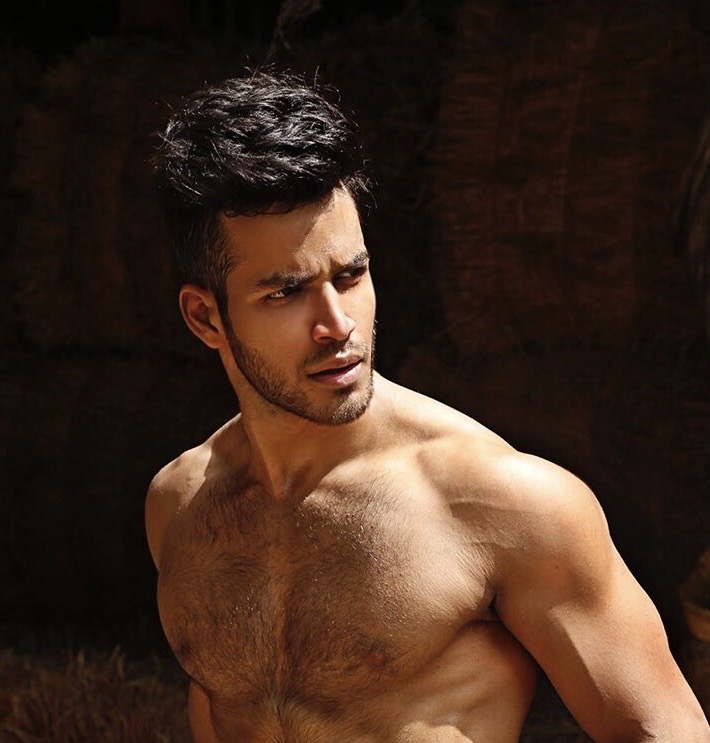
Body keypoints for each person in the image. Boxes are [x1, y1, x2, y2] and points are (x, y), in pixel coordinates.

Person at [145, 69, 710, 742]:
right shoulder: (181, 507)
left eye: (351, 275)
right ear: (205, 317)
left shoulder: (502, 503)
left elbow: (664, 731)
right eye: (286, 292)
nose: (337, 324)